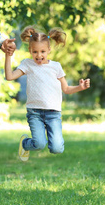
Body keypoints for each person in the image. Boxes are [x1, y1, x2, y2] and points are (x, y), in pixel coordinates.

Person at [5, 26, 91, 161]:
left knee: (57, 148)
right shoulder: (27, 64)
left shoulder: (56, 67)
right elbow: (10, 76)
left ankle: (47, 144)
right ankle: (25, 143)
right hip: (35, 112)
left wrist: (80, 87)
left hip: (53, 113)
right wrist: (8, 56)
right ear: (30, 51)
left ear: (49, 50)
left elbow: (66, 89)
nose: (39, 55)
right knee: (39, 144)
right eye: (35, 52)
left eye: (43, 51)